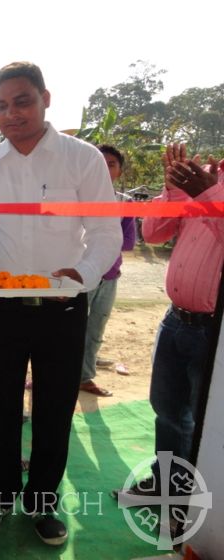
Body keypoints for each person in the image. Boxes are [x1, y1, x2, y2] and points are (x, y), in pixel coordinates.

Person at [0, 61, 121, 546]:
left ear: (46, 98)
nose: (11, 114)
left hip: (63, 308)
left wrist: (82, 276)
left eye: (22, 101)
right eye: (1, 105)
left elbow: (107, 231)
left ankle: (43, 502)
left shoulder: (81, 159)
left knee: (54, 408)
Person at [115, 144, 223, 500]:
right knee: (168, 412)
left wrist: (206, 194)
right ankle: (168, 485)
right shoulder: (208, 176)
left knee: (207, 425)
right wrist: (175, 192)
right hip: (176, 320)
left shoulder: (208, 184)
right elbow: (154, 233)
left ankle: (193, 503)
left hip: (214, 332)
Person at [79, 145, 137, 397]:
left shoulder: (125, 203)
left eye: (111, 164)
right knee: (63, 328)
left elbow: (126, 242)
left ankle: (84, 377)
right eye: (99, 162)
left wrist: (104, 236)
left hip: (109, 277)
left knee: (95, 329)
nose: (104, 167)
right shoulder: (75, 198)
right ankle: (47, 375)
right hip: (78, 276)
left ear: (119, 171)